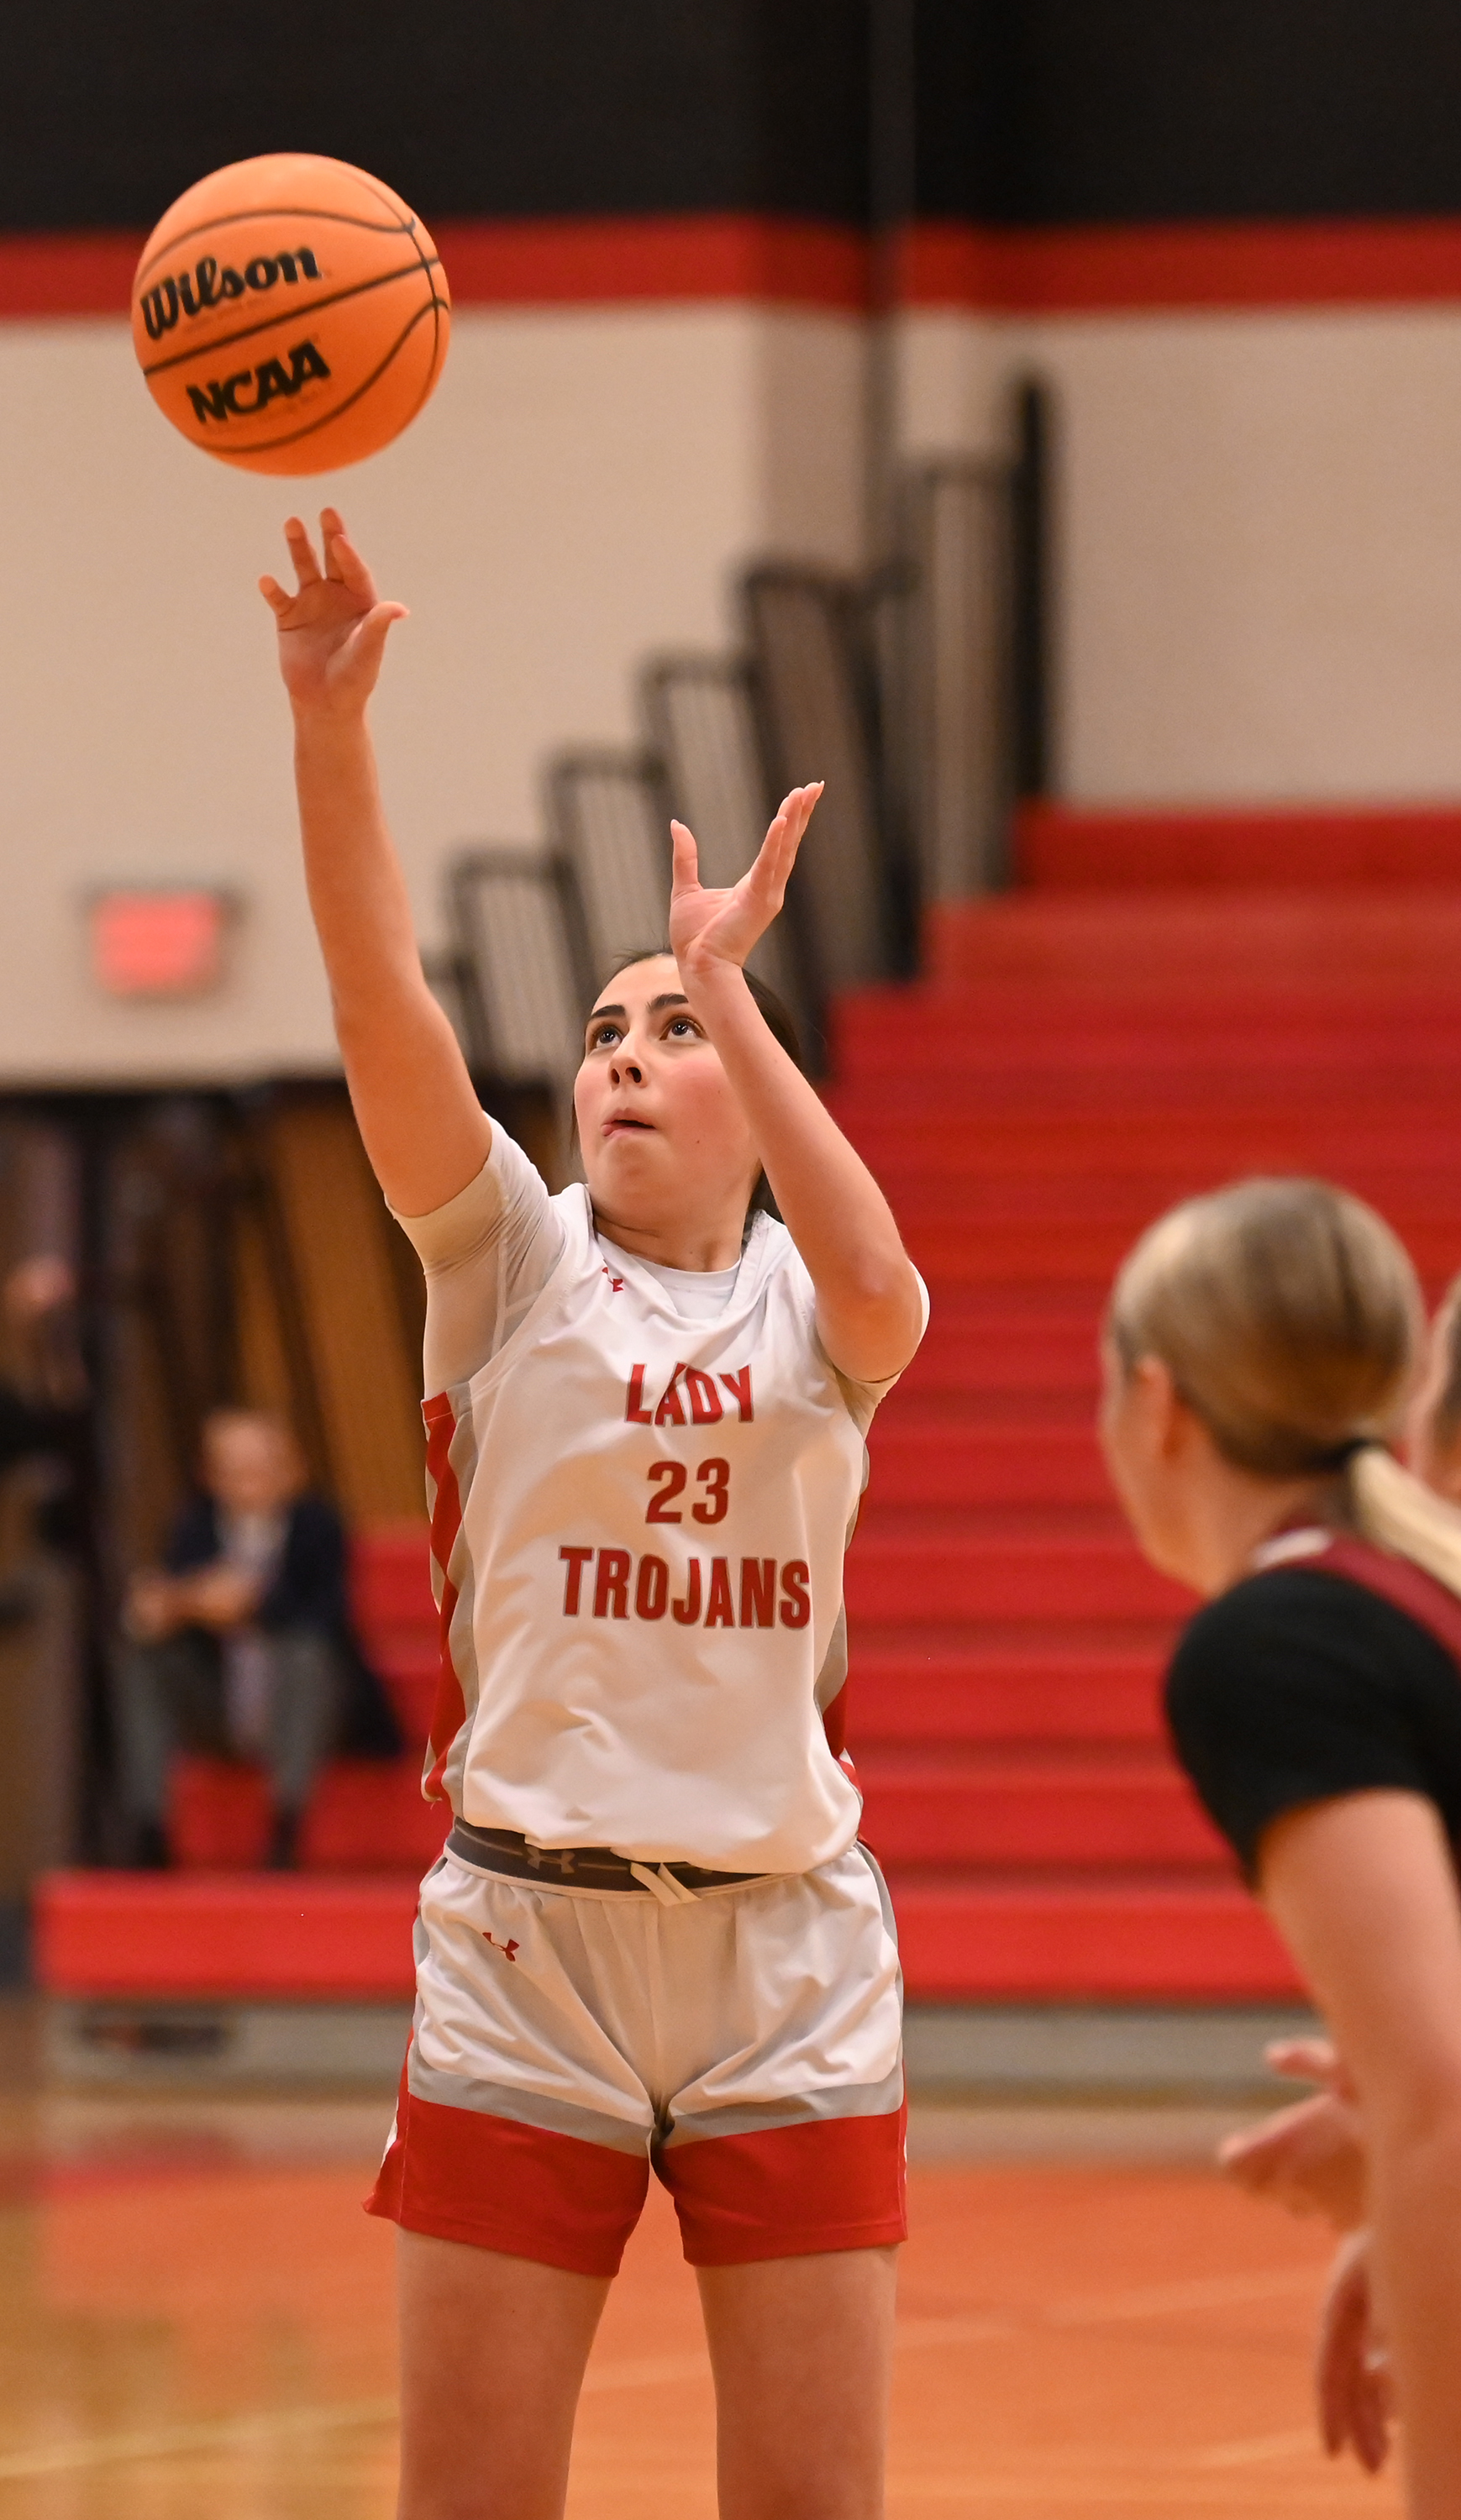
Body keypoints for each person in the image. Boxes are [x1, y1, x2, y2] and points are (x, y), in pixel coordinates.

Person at [260, 510, 926, 2520]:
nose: (628, 1054)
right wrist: (326, 733)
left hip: (784, 1958)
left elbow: (891, 1285)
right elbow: (386, 1011)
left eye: (675, 1032)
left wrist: (733, 978)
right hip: (530, 1942)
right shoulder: (516, 1264)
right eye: (608, 1032)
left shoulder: (822, 1303)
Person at [1097, 1184, 1461, 2520]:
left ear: (1155, 1406)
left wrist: (1423, 2167)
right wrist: (1414, 2202)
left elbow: (1457, 2128)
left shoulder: (1284, 1639)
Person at [114, 1405, 390, 1868]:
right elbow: (166, 1600)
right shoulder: (194, 1526)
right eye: (234, 1470)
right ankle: (149, 1825)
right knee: (141, 1657)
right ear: (210, 1475)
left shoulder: (318, 1525)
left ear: (291, 1470)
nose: (248, 1483)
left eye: (261, 1468)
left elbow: (329, 1616)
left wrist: (253, 1605)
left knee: (307, 1656)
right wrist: (178, 1604)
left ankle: (287, 1820)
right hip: (223, 1703)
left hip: (308, 1709)